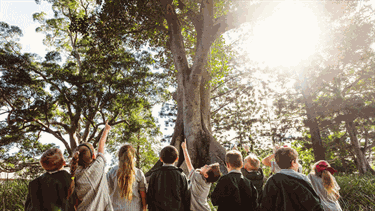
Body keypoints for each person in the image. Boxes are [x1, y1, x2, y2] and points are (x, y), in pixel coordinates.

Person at [70, 121, 113, 211]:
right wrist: (106, 130)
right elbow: (101, 145)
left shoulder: (74, 175)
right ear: (93, 156)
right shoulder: (98, 165)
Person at [147, 145, 190, 211]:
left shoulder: (154, 174)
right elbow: (186, 197)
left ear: (160, 159)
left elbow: (150, 196)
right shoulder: (181, 175)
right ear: (177, 159)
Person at [181, 141, 221, 211]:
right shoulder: (207, 183)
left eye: (207, 167)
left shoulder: (198, 177)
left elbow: (188, 164)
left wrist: (184, 148)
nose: (205, 165)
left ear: (206, 175)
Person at [107, 144, 147, 211]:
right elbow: (143, 194)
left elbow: (106, 192)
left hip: (115, 209)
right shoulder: (138, 173)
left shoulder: (112, 172)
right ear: (133, 156)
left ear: (119, 156)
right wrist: (144, 208)